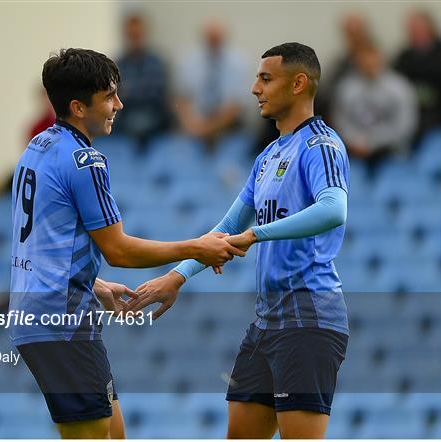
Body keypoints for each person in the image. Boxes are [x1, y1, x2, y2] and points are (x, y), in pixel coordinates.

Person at [9, 48, 245, 439]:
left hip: (39, 311)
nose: (119, 104)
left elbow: (39, 242)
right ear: (77, 107)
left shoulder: (37, 148)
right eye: (109, 97)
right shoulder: (85, 160)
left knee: (114, 432)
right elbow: (118, 250)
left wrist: (94, 284)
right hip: (62, 320)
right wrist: (196, 247)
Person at [131, 43, 350, 439]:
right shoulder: (267, 155)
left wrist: (256, 234)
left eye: (266, 78)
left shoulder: (322, 145)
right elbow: (229, 225)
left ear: (299, 83)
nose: (254, 88)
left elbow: (334, 209)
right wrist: (177, 277)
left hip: (309, 319)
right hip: (267, 323)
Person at [332, 43, 417, 175]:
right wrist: (355, 140)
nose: (368, 65)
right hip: (355, 153)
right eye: (364, 61)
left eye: (372, 61)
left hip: (391, 152)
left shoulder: (399, 87)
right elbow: (340, 120)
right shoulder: (346, 88)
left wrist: (374, 143)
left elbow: (406, 124)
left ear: (381, 60)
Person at [175, 19, 248, 149]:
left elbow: (236, 107)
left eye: (217, 38)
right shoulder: (189, 62)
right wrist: (191, 124)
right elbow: (181, 99)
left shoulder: (239, 64)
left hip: (228, 128)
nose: (214, 42)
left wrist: (208, 128)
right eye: (210, 38)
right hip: (195, 124)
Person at [114, 13, 171, 150]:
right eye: (132, 35)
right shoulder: (118, 64)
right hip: (125, 115)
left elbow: (157, 93)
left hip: (153, 115)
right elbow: (116, 93)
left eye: (137, 34)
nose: (135, 39)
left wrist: (129, 91)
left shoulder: (156, 63)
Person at [394, 9, 441, 141]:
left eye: (420, 28)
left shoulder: (440, 53)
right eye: (412, 29)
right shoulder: (403, 58)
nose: (416, 32)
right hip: (412, 120)